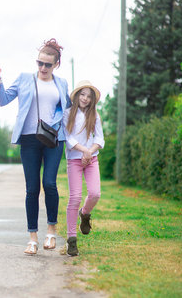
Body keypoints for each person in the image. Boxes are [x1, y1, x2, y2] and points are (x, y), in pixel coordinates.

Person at [0, 38, 71, 255]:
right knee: (32, 189)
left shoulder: (61, 83)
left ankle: (51, 232)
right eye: (40, 63)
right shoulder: (25, 79)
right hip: (29, 139)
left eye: (48, 64)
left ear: (56, 65)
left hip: (54, 138)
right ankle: (33, 238)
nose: (43, 68)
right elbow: (3, 99)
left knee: (50, 183)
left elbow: (66, 108)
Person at [62, 80, 104, 256]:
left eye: (89, 96)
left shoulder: (95, 115)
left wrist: (90, 152)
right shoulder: (67, 114)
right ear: (77, 95)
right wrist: (84, 150)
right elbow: (68, 138)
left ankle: (85, 214)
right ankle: (72, 239)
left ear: (92, 99)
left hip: (91, 159)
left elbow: (100, 139)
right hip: (75, 160)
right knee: (75, 197)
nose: (85, 98)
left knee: (95, 193)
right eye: (83, 94)